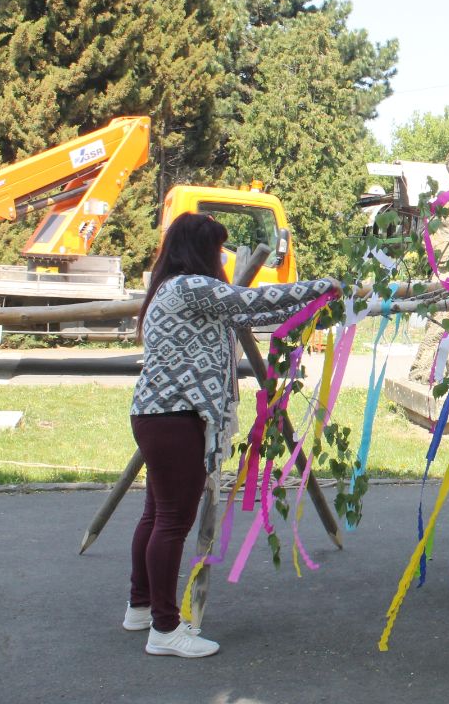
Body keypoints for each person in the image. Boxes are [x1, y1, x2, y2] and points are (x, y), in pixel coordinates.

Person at [124, 213, 340, 658]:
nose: (221, 257)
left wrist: (315, 306)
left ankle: (142, 606)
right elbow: (253, 301)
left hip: (158, 416)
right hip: (175, 418)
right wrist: (323, 286)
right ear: (198, 250)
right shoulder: (190, 287)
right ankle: (164, 629)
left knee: (157, 515)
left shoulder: (174, 288)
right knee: (172, 521)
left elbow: (253, 310)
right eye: (217, 248)